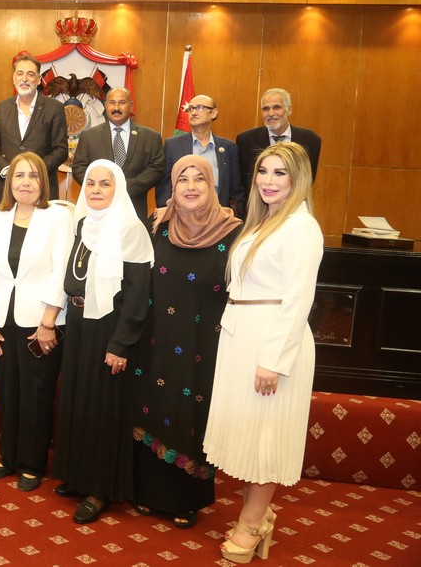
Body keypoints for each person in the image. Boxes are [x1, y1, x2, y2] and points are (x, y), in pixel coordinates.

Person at [203, 142, 323, 563]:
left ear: (298, 179)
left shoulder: (302, 228)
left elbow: (298, 300)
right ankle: (257, 513)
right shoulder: (264, 221)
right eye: (263, 171)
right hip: (243, 335)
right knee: (249, 432)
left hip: (272, 341)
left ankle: (251, 524)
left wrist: (273, 360)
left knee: (265, 438)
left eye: (279, 173)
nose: (268, 181)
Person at [131, 155, 242, 528]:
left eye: (199, 179)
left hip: (204, 345)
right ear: (172, 187)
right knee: (151, 407)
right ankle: (147, 491)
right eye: (183, 180)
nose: (191, 187)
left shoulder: (234, 233)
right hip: (155, 339)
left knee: (192, 416)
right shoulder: (157, 224)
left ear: (212, 186)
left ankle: (186, 499)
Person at [53, 159, 153, 524]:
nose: (95, 189)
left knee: (102, 408)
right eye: (91, 183)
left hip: (110, 327)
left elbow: (139, 295)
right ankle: (77, 476)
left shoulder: (130, 229)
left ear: (119, 189)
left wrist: (120, 344)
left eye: (104, 184)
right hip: (80, 324)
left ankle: (99, 489)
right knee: (78, 400)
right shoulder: (83, 224)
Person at [0, 152, 72, 492]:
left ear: (43, 182)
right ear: (8, 182)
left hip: (41, 321)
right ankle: (9, 457)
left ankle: (32, 463)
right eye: (19, 176)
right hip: (1, 319)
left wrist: (48, 322)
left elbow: (61, 271)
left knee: (37, 393)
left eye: (33, 176)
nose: (25, 182)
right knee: (8, 390)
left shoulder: (58, 218)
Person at [0, 53, 68, 202]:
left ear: (38, 79)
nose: (24, 79)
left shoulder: (54, 108)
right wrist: (8, 171)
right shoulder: (2, 108)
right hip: (6, 189)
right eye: (20, 74)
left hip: (42, 189)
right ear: (13, 79)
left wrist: (36, 171)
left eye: (30, 74)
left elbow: (61, 150)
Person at [72, 87, 165, 218]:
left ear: (131, 106)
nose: (116, 107)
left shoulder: (150, 137)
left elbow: (156, 168)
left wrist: (123, 187)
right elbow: (79, 167)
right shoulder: (89, 136)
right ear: (106, 106)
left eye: (122, 102)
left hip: (134, 207)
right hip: (98, 209)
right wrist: (100, 187)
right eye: (112, 102)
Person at [156, 94, 244, 211]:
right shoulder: (173, 145)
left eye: (200, 108)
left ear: (213, 113)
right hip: (182, 214)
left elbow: (236, 190)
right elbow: (164, 187)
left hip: (218, 214)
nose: (194, 112)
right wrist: (166, 214)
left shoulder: (228, 147)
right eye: (190, 109)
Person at [236, 88, 321, 206]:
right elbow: (243, 183)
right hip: (258, 209)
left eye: (276, 107)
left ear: (289, 110)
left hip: (294, 208)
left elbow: (308, 179)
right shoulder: (246, 140)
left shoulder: (310, 140)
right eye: (266, 109)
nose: (271, 113)